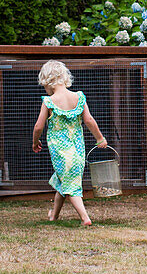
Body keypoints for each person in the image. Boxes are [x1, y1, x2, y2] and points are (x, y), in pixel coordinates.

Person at [32, 60, 107, 225]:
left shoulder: (49, 101)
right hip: (78, 149)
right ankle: (54, 216)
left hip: (60, 152)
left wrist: (35, 141)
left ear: (47, 81)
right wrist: (100, 138)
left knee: (71, 186)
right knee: (64, 181)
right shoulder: (79, 97)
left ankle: (85, 218)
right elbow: (89, 120)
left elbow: (38, 126)